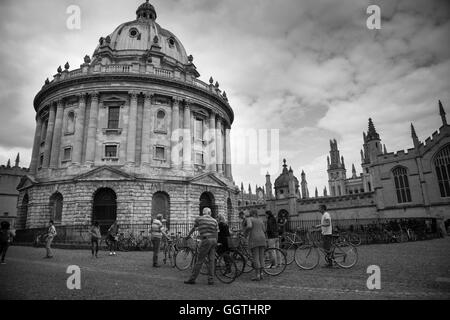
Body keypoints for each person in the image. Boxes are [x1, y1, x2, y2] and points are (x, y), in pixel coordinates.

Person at [184, 207, 219, 285]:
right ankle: (211, 280)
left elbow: (194, 228)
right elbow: (216, 232)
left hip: (206, 240)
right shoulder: (214, 220)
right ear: (210, 213)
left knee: (200, 260)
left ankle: (192, 279)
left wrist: (188, 235)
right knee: (211, 261)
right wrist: (216, 241)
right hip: (213, 240)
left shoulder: (199, 219)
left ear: (203, 212)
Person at [246, 209, 267, 281]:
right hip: (262, 238)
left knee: (256, 257)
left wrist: (245, 232)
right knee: (261, 257)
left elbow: (249, 226)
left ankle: (257, 275)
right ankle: (262, 274)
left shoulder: (249, 219)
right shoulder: (260, 219)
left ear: (251, 213)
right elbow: (264, 229)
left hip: (254, 239)